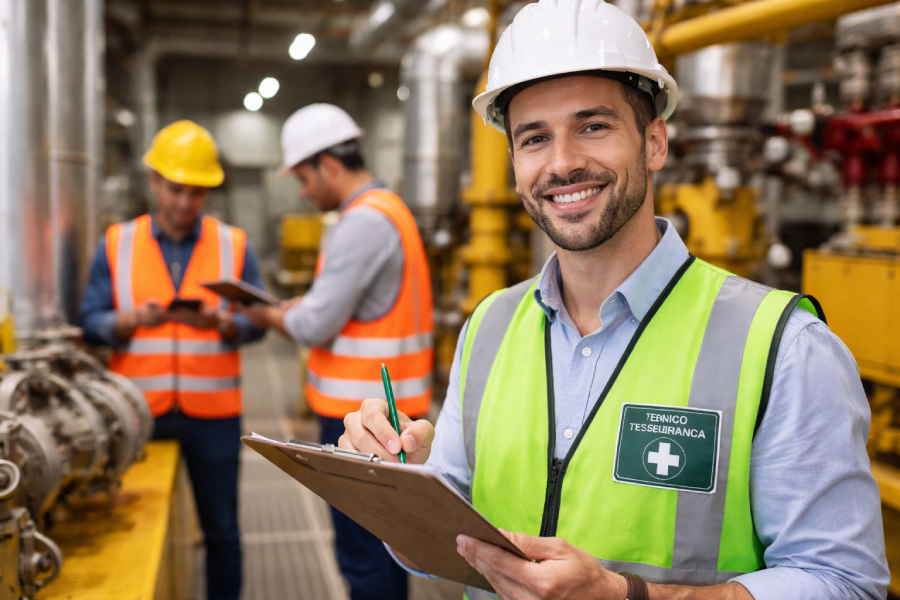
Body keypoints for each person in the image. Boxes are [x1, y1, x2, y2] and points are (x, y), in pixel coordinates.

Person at [337, 1, 890, 599]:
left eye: (593, 126)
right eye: (534, 138)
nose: (563, 162)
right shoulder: (490, 326)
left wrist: (628, 597)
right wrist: (405, 485)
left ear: (655, 142)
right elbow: (453, 544)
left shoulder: (782, 347)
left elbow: (842, 583)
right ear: (515, 165)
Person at [243, 103, 433, 600]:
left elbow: (313, 325)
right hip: (385, 414)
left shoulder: (362, 222)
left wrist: (263, 313)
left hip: (360, 422)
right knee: (383, 545)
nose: (303, 192)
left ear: (329, 164)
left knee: (363, 554)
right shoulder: (388, 210)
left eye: (304, 177)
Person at [80, 120, 266, 600]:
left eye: (197, 193)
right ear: (154, 182)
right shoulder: (117, 244)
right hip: (140, 415)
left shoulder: (235, 245)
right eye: (177, 189)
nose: (185, 203)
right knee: (130, 529)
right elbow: (91, 320)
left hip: (214, 419)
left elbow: (258, 321)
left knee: (222, 533)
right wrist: (129, 321)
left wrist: (223, 324)